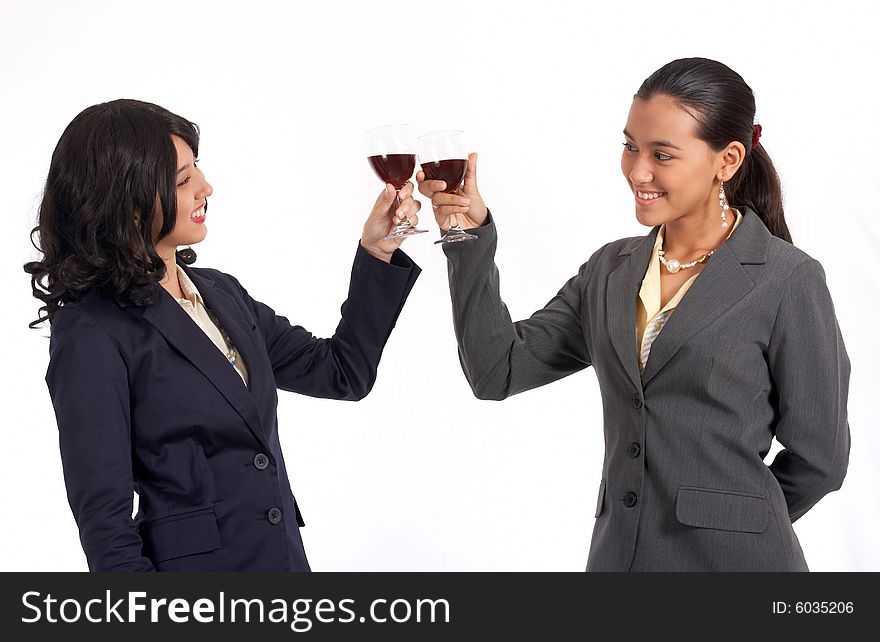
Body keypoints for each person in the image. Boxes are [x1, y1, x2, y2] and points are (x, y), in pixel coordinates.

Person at [418, 58, 851, 571]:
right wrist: (466, 236)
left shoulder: (787, 279)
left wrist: (733, 519)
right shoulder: (611, 270)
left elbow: (820, 460)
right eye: (630, 146)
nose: (637, 171)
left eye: (662, 155)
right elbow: (497, 370)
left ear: (728, 160)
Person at [25, 99, 422, 571]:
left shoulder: (222, 293)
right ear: (128, 206)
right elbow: (106, 531)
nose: (205, 188)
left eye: (198, 170)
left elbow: (342, 373)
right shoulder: (92, 332)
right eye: (182, 180)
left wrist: (377, 250)